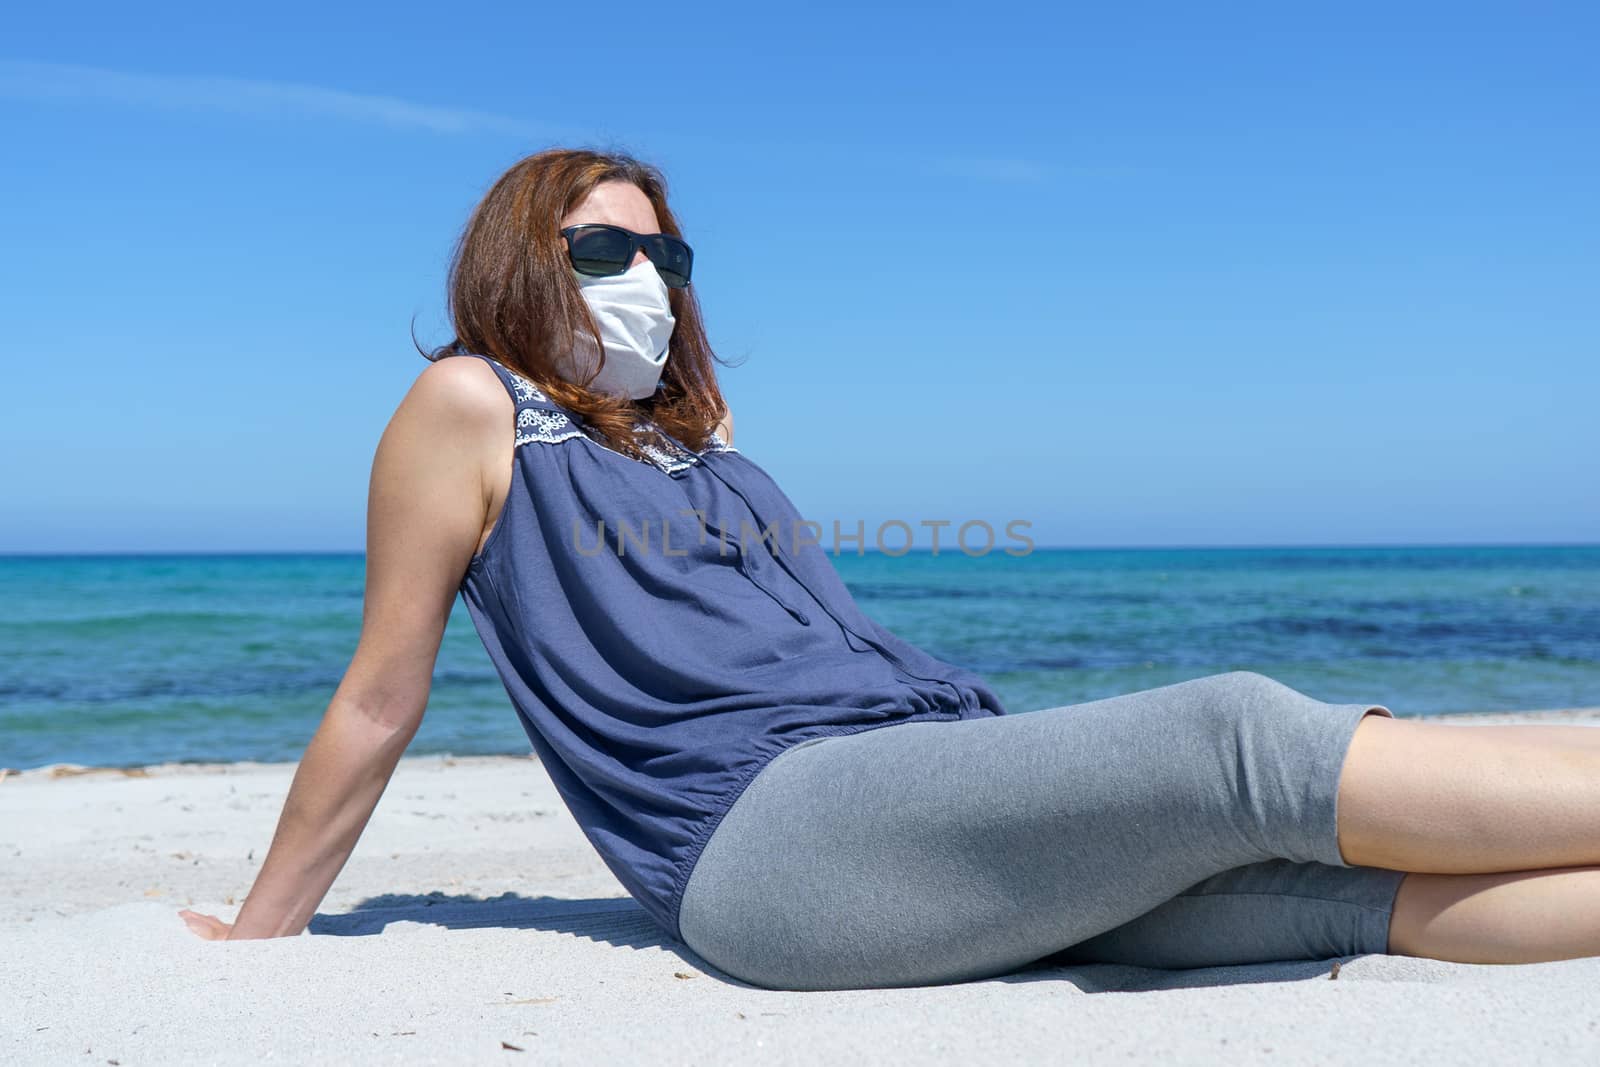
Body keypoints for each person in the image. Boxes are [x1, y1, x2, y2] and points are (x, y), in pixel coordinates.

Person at [182, 147, 1600, 991]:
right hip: (767, 840)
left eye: (664, 252)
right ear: (521, 258)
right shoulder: (474, 405)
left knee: (1298, 898)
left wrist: (713, 453)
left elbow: (801, 639)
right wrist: (263, 932)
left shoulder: (709, 446)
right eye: (602, 245)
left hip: (899, 783)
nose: (645, 275)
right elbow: (380, 694)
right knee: (1234, 734)